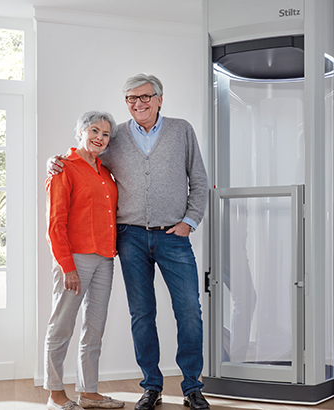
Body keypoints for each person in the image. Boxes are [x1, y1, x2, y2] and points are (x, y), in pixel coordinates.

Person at [49, 73, 210, 410]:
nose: (138, 103)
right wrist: (57, 161)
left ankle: (192, 386)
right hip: (130, 238)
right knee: (142, 313)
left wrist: (189, 222)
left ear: (159, 99)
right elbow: (85, 156)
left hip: (173, 236)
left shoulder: (181, 130)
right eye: (131, 98)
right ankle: (151, 386)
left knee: (189, 312)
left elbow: (198, 179)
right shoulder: (116, 135)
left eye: (145, 97)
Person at [44, 111, 125, 410]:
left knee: (94, 328)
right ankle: (55, 394)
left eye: (105, 134)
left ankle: (89, 392)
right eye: (94, 130)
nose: (99, 138)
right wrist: (67, 266)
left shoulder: (105, 172)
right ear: (80, 131)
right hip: (75, 258)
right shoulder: (64, 168)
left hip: (105, 257)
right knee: (62, 326)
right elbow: (55, 223)